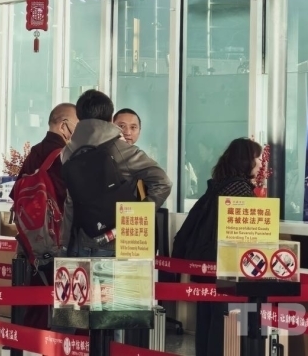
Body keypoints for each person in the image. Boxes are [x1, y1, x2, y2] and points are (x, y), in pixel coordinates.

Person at [172, 137, 262, 356]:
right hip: (225, 267)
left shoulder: (219, 185)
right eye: (258, 158)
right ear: (246, 161)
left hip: (206, 264)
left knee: (207, 319)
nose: (261, 163)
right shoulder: (240, 190)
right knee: (223, 325)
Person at [60, 90, 172, 257]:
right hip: (117, 242)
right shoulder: (123, 150)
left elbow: (70, 200)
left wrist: (64, 244)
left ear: (79, 115)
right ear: (110, 117)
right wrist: (136, 214)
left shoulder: (67, 152)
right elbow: (164, 182)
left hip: (80, 240)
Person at [14, 103, 78, 329]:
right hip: (61, 242)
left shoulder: (35, 153)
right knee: (69, 310)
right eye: (78, 125)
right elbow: (72, 200)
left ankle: (30, 343)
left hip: (31, 243)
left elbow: (16, 196)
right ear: (64, 125)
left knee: (36, 305)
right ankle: (63, 345)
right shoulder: (66, 156)